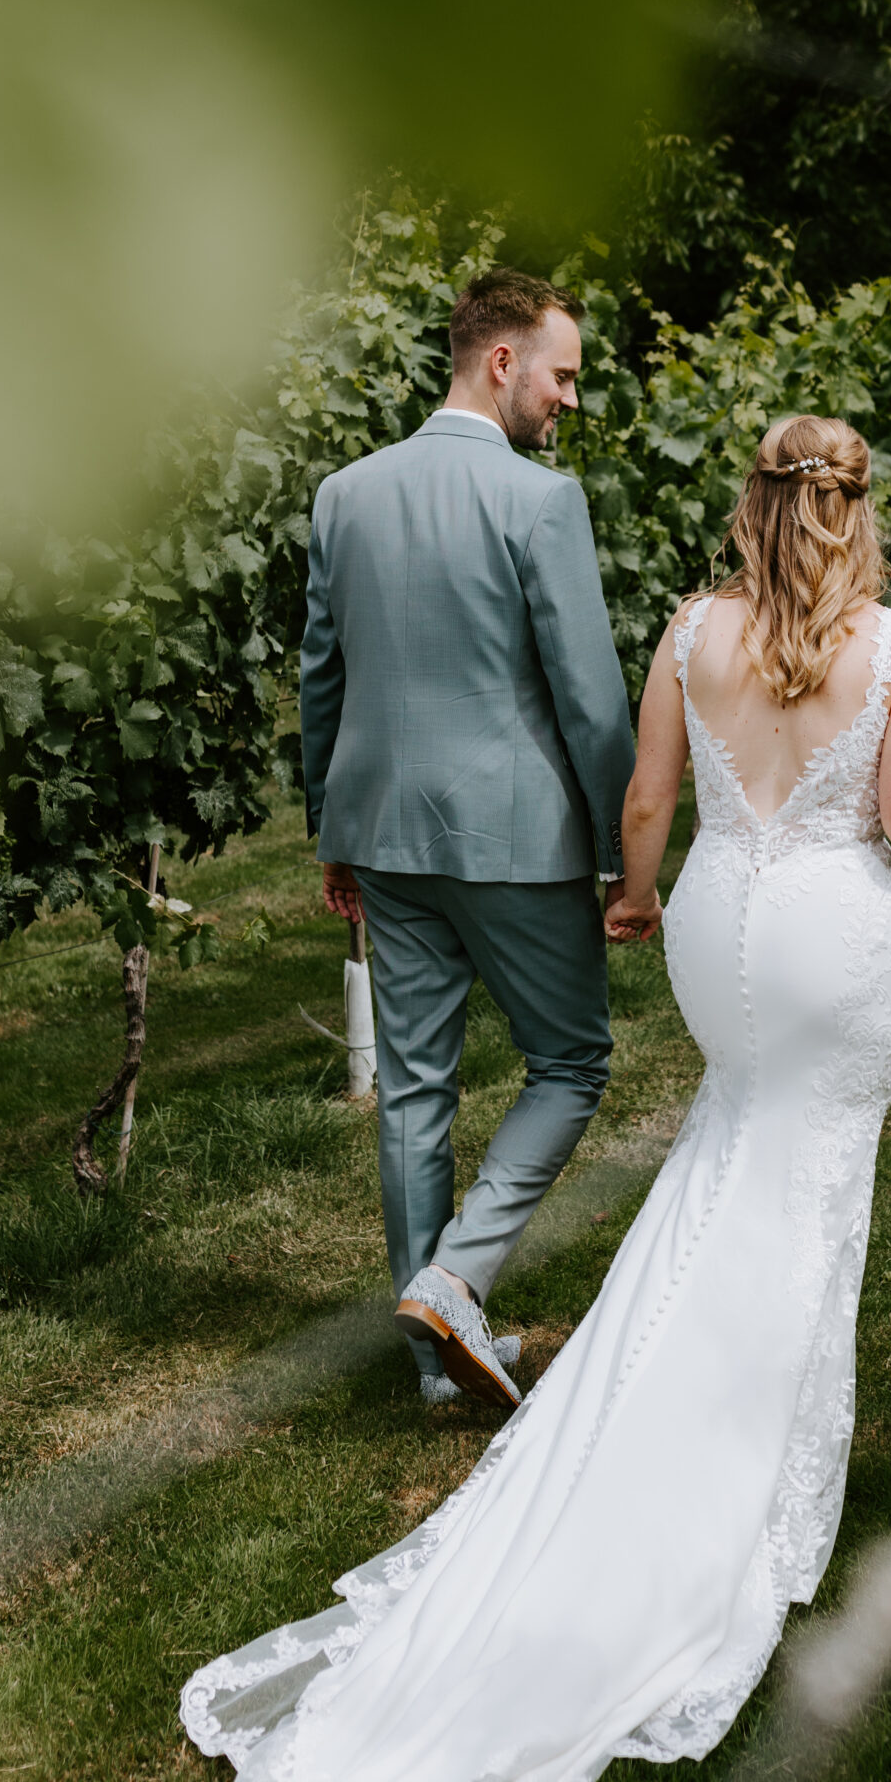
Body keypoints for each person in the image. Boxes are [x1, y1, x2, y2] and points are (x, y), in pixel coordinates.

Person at [149, 412, 891, 1782]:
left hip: (721, 928)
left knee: (727, 1162)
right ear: (854, 510)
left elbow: (645, 801)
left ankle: (672, 1407)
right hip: (838, 945)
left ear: (753, 504)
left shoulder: (693, 630)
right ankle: (747, 1483)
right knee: (801, 1191)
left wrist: (638, 899)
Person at [296, 267, 636, 1414]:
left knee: (413, 1090)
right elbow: (590, 703)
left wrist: (331, 826)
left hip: (383, 832)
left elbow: (322, 679)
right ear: (504, 362)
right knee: (574, 1059)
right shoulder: (540, 501)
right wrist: (621, 852)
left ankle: (433, 1368)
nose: (570, 400)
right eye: (564, 374)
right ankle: (458, 1274)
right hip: (516, 838)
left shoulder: (345, 493)